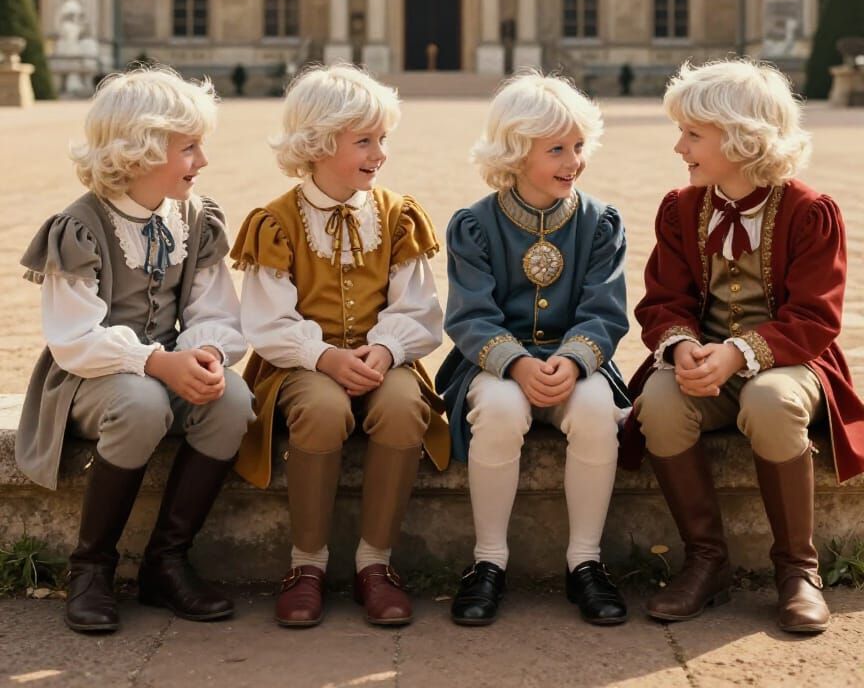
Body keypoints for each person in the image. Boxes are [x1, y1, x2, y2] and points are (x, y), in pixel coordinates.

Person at [625, 58, 864, 634]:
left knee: (770, 401)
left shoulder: (810, 211)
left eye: (692, 134)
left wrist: (740, 352)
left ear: (740, 137)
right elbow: (663, 300)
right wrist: (682, 347)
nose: (679, 147)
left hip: (791, 362)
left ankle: (797, 571)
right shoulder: (681, 209)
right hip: (705, 363)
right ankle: (706, 561)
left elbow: (816, 318)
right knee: (658, 400)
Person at [15, 66, 254, 634]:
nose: (203, 160)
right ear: (142, 150)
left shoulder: (195, 218)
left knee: (233, 400)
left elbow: (216, 312)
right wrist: (155, 361)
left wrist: (205, 357)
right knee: (143, 402)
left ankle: (166, 563)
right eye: (189, 147)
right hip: (90, 378)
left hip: (166, 370)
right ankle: (91, 566)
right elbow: (74, 339)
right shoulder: (80, 226)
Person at [232, 63, 448, 629]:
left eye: (383, 140)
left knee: (404, 406)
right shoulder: (275, 222)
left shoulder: (398, 216)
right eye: (365, 141)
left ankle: (375, 563)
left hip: (384, 358)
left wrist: (384, 350)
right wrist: (325, 357)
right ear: (319, 143)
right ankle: (306, 565)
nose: (380, 153)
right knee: (324, 409)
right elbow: (266, 321)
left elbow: (419, 308)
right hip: (300, 364)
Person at [436, 72, 631, 627]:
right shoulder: (473, 225)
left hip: (579, 361)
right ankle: (489, 561)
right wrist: (516, 363)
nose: (574, 160)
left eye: (578, 147)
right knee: (499, 410)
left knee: (596, 411)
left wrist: (571, 361)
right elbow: (470, 316)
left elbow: (606, 312)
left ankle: (585, 562)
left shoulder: (600, 223)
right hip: (494, 363)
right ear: (515, 153)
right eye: (556, 150)